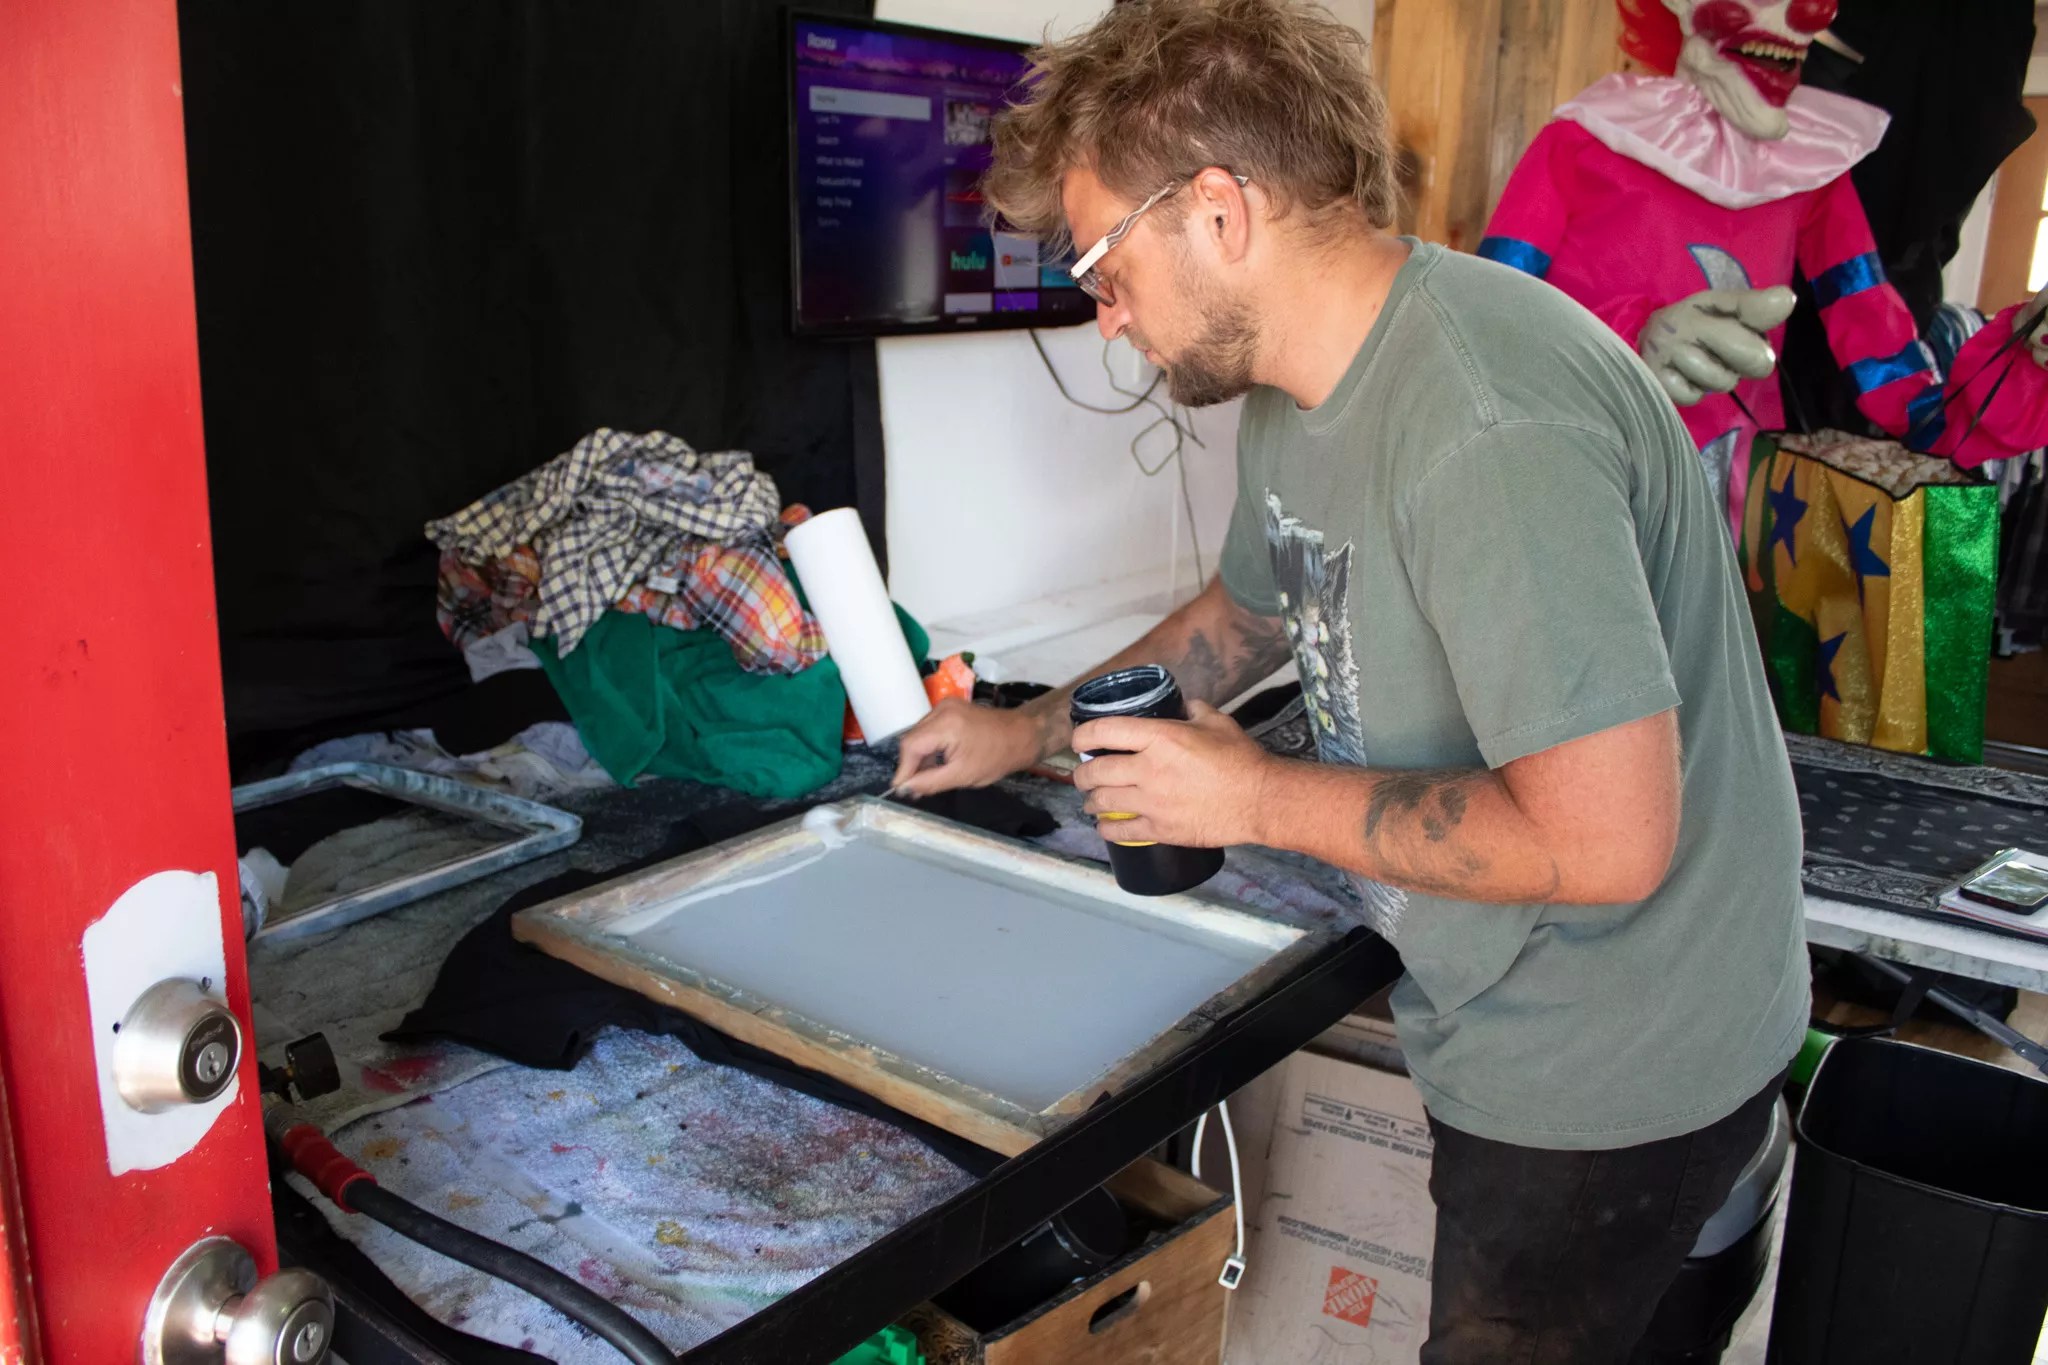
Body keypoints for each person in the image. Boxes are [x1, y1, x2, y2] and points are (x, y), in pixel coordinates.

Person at [889, 1, 1808, 1359]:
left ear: (1218, 209)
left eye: (1100, 264)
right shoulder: (1306, 389)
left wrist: (1254, 795)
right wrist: (1024, 730)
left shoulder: (1484, 426)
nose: (1104, 321)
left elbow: (1609, 840)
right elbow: (1246, 615)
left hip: (1614, 1069)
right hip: (1513, 1014)